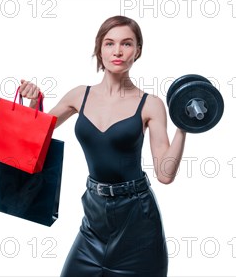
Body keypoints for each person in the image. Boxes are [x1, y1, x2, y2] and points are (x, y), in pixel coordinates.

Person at [18, 16, 186, 276]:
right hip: (93, 221)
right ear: (99, 49)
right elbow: (33, 138)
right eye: (109, 43)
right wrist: (33, 102)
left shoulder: (151, 104)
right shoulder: (78, 95)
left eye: (126, 44)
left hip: (138, 223)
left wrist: (184, 126)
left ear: (138, 50)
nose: (117, 51)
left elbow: (165, 174)